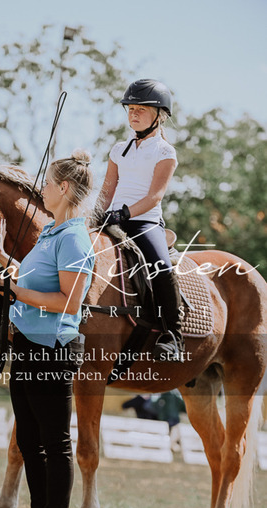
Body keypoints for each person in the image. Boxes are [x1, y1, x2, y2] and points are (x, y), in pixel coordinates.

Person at [0, 150, 95, 508]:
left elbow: (69, 302)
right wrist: (5, 261)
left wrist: (15, 291)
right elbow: (38, 281)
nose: (43, 189)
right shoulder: (52, 232)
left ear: (64, 188)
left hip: (53, 348)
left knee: (54, 442)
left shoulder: (73, 239)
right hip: (28, 344)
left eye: (48, 183)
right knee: (30, 439)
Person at [96, 78, 183, 360]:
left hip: (144, 222)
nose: (133, 114)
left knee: (161, 267)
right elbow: (107, 190)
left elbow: (155, 197)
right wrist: (94, 216)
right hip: (111, 218)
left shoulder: (165, 152)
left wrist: (125, 213)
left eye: (141, 109)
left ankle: (173, 335)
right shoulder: (118, 149)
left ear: (160, 115)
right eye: (130, 109)